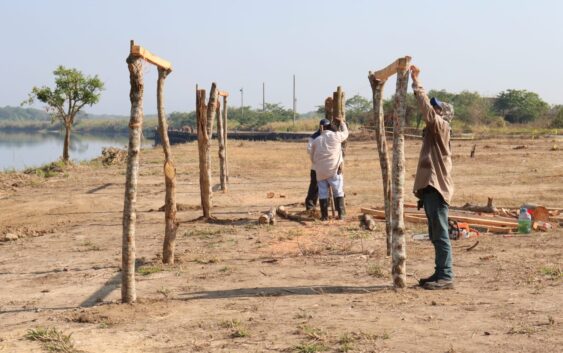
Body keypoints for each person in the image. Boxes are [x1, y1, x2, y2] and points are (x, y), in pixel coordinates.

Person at [410, 65, 455, 290]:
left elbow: (426, 111)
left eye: (437, 109)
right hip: (431, 188)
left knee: (441, 234)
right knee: (436, 235)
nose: (433, 111)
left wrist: (417, 83)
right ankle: (440, 273)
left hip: (437, 189)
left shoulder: (441, 126)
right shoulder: (432, 133)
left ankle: (446, 275)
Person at [308, 117, 349, 220]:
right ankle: (341, 214)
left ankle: (325, 216)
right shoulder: (336, 136)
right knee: (338, 191)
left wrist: (319, 165)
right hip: (334, 169)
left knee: (322, 193)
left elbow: (312, 158)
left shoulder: (316, 140)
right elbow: (345, 133)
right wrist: (342, 123)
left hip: (320, 171)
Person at [305, 127, 322, 211]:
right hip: (316, 166)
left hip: (328, 166)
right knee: (314, 186)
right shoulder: (314, 137)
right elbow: (309, 150)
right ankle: (310, 205)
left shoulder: (331, 136)